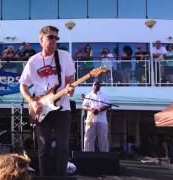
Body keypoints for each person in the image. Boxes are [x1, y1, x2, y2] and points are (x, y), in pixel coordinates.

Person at [19, 26, 75, 176]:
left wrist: (70, 90)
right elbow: (23, 85)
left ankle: (61, 176)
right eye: (50, 37)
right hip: (41, 109)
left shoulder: (64, 57)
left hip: (62, 108)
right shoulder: (33, 61)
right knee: (44, 147)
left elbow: (71, 83)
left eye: (56, 38)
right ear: (41, 40)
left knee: (62, 147)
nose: (54, 40)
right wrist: (31, 101)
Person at [82, 81, 110, 152]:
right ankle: (88, 155)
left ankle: (105, 156)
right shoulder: (88, 95)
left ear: (100, 86)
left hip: (102, 120)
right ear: (92, 86)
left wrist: (99, 110)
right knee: (89, 138)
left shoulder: (105, 95)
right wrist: (91, 109)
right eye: (95, 84)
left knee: (103, 139)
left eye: (98, 85)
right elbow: (84, 106)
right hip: (91, 120)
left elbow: (107, 105)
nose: (96, 86)